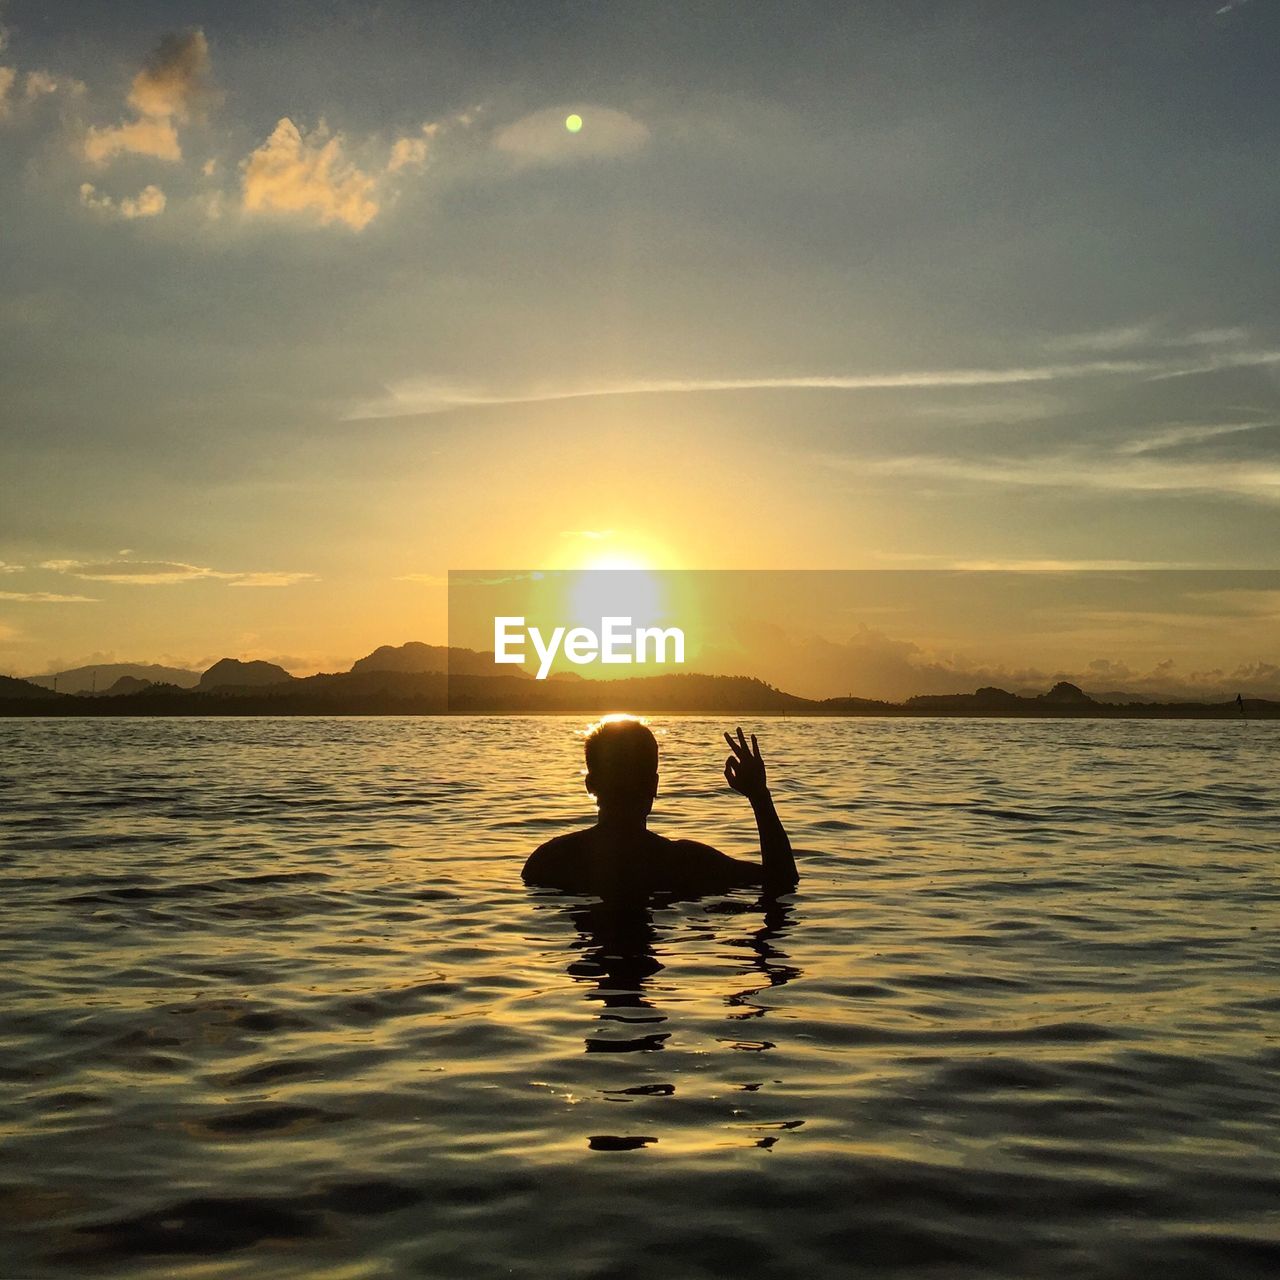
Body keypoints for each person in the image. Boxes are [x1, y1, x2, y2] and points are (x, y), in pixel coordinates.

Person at [522, 717, 798, 897]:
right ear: (654, 786)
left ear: (590, 784)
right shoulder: (685, 863)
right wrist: (760, 798)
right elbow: (781, 883)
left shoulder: (549, 861)